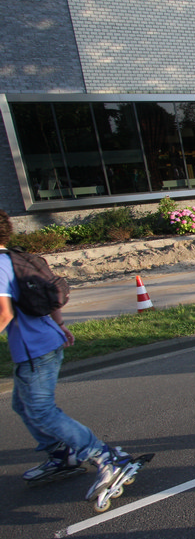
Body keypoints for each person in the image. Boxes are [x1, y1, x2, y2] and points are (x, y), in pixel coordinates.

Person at [0, 209, 135, 502]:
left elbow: (4, 313)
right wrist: (59, 324)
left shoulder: (0, 266)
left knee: (41, 411)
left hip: (35, 350)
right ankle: (62, 455)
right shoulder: (16, 259)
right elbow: (49, 293)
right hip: (44, 342)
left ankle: (106, 457)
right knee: (23, 405)